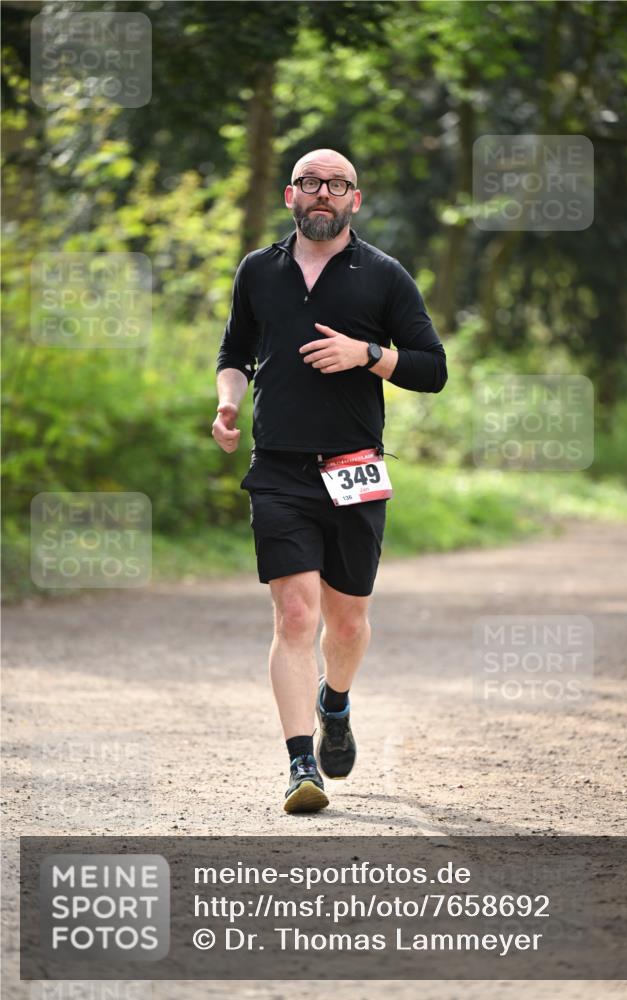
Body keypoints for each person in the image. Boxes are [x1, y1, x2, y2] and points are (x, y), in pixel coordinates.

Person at [212, 148, 447, 814]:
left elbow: (431, 368)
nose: (323, 194)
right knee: (294, 615)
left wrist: (366, 355)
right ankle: (298, 765)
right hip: (279, 467)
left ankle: (334, 705)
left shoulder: (384, 276)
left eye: (336, 185)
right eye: (310, 184)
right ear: (290, 195)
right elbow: (235, 353)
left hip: (355, 467)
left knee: (345, 626)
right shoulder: (259, 270)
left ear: (354, 199)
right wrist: (227, 402)